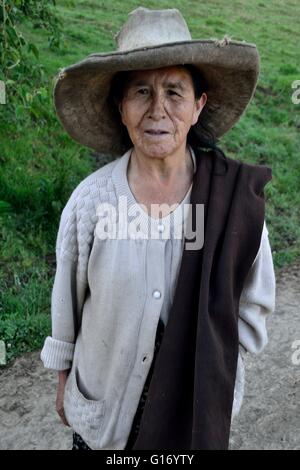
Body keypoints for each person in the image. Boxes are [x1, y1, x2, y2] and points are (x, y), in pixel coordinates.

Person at [40, 7, 276, 450]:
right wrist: (63, 379)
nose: (157, 110)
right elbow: (66, 305)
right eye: (141, 91)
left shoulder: (232, 203)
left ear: (198, 105)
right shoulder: (91, 204)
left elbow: (255, 301)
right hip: (105, 419)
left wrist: (219, 359)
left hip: (194, 415)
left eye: (174, 91)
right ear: (120, 106)